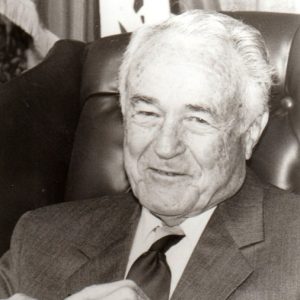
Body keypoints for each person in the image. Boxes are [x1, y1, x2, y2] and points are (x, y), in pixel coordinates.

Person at [1, 9, 300, 300]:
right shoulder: (39, 238)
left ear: (250, 131)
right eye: (147, 113)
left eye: (198, 119)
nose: (165, 147)